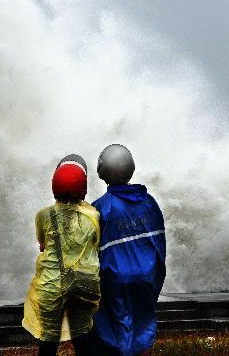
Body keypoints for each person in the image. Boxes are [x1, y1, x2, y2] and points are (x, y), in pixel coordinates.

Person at [89, 144, 166, 356]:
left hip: (115, 280)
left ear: (102, 171)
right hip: (146, 277)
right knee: (143, 325)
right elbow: (159, 245)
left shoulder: (99, 207)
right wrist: (154, 276)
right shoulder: (150, 203)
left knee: (116, 331)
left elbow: (91, 251)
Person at [22, 154, 101, 356]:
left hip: (51, 284)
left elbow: (42, 244)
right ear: (83, 187)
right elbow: (96, 243)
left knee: (49, 337)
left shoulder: (42, 215)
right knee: (83, 334)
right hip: (84, 282)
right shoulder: (93, 215)